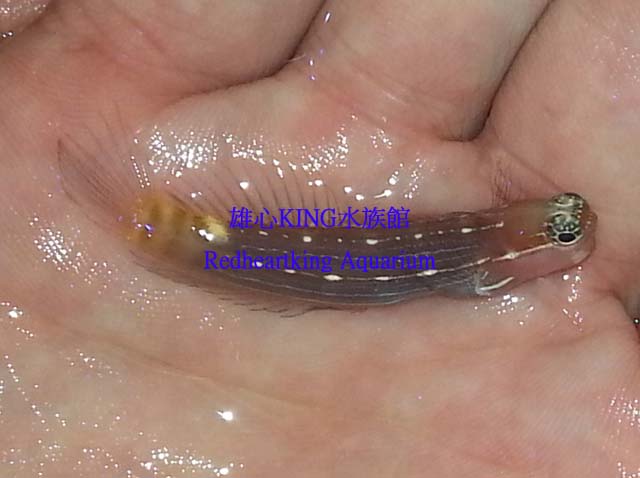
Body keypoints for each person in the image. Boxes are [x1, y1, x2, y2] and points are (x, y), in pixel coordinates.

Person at [1, 1, 638, 476]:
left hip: (354, 250)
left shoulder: (490, 248)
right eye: (564, 222)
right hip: (318, 248)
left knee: (262, 249)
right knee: (250, 248)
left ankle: (154, 227)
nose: (575, 225)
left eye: (562, 225)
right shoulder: (487, 254)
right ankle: (153, 226)